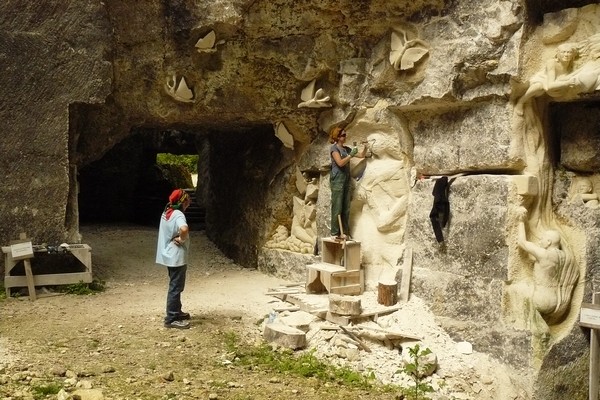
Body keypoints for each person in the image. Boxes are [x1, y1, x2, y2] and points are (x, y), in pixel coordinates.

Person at [516, 207, 566, 320]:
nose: (539, 241)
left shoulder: (544, 254)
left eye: (542, 239)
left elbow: (522, 242)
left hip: (540, 300)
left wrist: (521, 221)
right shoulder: (562, 256)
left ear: (548, 242)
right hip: (555, 301)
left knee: (515, 289)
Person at [156, 188, 192, 329]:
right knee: (176, 287)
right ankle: (171, 318)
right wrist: (182, 240)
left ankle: (176, 311)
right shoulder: (178, 215)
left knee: (176, 285)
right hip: (176, 256)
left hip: (169, 255)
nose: (189, 201)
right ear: (183, 201)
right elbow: (183, 229)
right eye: (187, 199)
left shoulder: (167, 211)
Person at [515, 43, 579, 115]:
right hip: (544, 79)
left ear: (572, 54)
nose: (566, 55)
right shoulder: (551, 63)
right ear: (558, 54)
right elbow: (550, 86)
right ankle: (521, 101)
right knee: (538, 85)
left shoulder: (571, 66)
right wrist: (567, 83)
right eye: (563, 52)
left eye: (569, 52)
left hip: (557, 83)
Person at [329, 126, 365, 239]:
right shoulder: (334, 149)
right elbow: (340, 163)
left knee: (346, 207)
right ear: (338, 137)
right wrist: (350, 155)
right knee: (337, 206)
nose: (345, 137)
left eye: (345, 135)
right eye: (343, 135)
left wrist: (365, 146)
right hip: (337, 179)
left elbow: (361, 155)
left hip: (345, 178)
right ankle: (334, 233)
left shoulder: (346, 149)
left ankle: (344, 232)